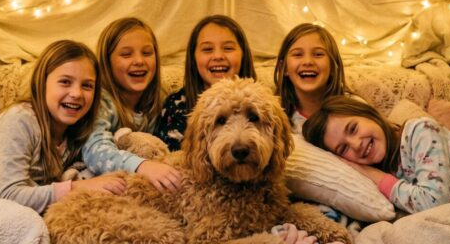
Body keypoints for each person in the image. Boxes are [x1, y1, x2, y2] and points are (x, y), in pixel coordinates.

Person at [0, 39, 125, 213]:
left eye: (87, 86)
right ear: (42, 83)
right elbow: (9, 194)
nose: (77, 93)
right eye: (65, 82)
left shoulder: (79, 128)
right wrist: (78, 187)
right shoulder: (20, 120)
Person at [302, 96, 450, 213]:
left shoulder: (420, 130)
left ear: (369, 114)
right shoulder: (376, 173)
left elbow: (435, 202)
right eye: (343, 149)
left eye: (353, 128)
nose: (356, 144)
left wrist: (377, 177)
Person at [82, 17, 181, 191]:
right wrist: (143, 166)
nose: (139, 61)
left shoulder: (161, 98)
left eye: (147, 53)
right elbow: (95, 150)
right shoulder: (101, 102)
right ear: (107, 62)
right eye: (126, 54)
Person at [155, 14, 256, 151]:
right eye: (207, 49)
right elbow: (169, 159)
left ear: (243, 54)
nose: (218, 56)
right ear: (194, 58)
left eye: (228, 48)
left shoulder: (261, 102)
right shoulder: (176, 106)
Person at [273, 23, 353, 134]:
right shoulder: (274, 118)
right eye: (297, 54)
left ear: (333, 66)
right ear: (284, 68)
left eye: (318, 54)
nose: (308, 62)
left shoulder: (354, 109)